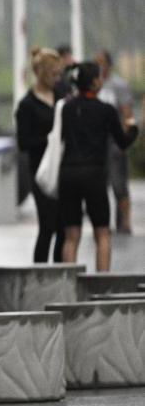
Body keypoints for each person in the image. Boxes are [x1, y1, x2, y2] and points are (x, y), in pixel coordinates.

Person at [59, 62, 139, 271]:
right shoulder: (105, 110)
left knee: (71, 235)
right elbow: (122, 141)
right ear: (94, 82)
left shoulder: (67, 108)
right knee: (102, 233)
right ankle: (101, 283)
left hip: (68, 173)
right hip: (93, 174)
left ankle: (67, 283)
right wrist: (133, 129)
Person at [15, 48, 65, 263]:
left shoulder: (62, 96)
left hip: (64, 167)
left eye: (59, 74)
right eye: (54, 74)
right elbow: (23, 142)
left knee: (64, 226)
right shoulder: (27, 105)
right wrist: (50, 138)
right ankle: (41, 270)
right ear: (42, 73)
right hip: (41, 170)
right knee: (47, 225)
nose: (58, 78)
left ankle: (61, 268)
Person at [95, 49, 136, 234]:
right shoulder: (92, 85)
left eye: (101, 62)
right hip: (96, 142)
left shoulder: (118, 85)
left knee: (119, 184)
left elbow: (127, 113)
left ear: (109, 65)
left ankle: (124, 221)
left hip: (114, 140)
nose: (99, 66)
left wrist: (124, 140)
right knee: (98, 185)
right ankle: (102, 222)